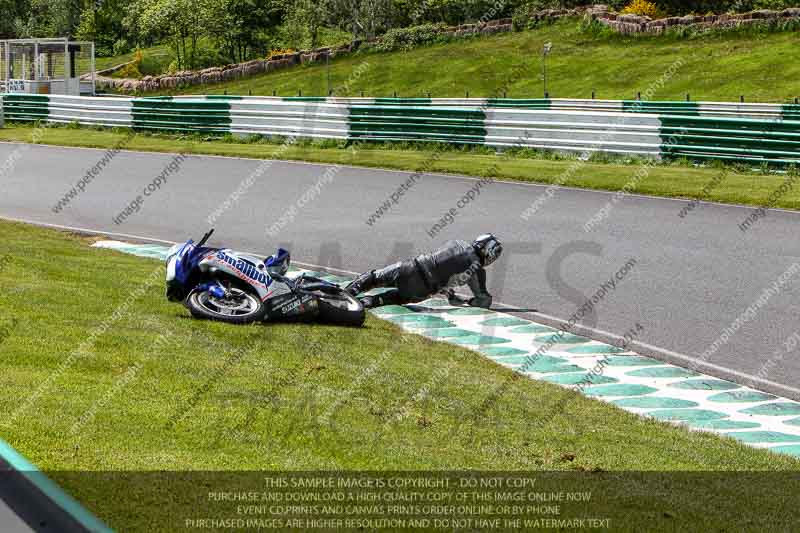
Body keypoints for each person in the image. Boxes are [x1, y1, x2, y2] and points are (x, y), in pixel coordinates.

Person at [345, 234, 502, 309]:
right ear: (488, 253)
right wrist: (467, 301)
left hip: (411, 267)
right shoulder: (477, 270)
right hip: (423, 289)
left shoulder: (457, 242)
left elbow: (444, 265)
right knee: (394, 298)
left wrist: (448, 291)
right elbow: (484, 301)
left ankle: (348, 291)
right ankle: (367, 302)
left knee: (375, 277)